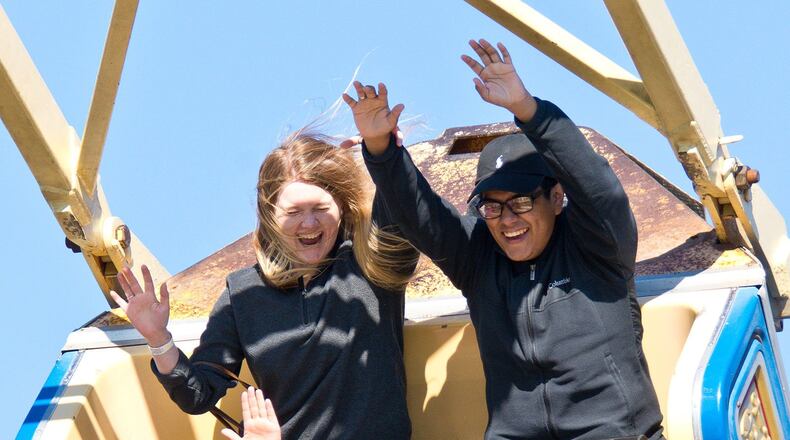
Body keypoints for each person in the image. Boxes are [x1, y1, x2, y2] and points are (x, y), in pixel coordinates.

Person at [343, 39, 664, 439]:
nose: (506, 220)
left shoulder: (598, 247)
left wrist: (526, 108)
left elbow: (600, 190)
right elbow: (422, 214)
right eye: (491, 206)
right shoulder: (479, 257)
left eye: (521, 202)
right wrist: (381, 148)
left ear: (557, 197)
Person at [110, 131, 419, 439]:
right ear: (270, 216)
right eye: (294, 212)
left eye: (320, 208)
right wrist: (158, 337)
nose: (309, 223)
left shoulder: (369, 261)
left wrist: (381, 149)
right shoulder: (243, 293)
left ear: (340, 205)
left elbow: (404, 208)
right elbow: (197, 395)